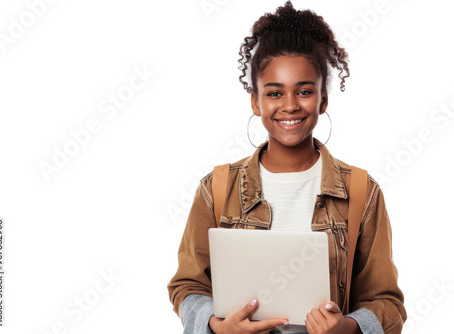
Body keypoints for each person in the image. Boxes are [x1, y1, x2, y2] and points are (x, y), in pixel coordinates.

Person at [168, 1, 406, 333]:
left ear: (323, 99)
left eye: (305, 91)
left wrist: (348, 327)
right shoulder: (217, 188)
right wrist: (215, 324)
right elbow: (186, 287)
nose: (290, 105)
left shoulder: (361, 192)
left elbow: (387, 302)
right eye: (275, 93)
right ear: (256, 101)